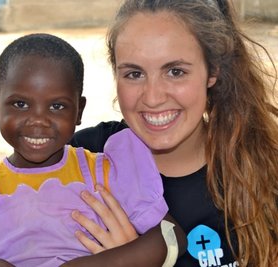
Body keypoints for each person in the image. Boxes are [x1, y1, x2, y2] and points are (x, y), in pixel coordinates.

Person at [0, 33, 186, 267]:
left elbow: (171, 236)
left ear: (79, 111)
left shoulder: (106, 173)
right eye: (20, 103)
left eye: (57, 107)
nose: (38, 120)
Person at [69, 0, 278, 266]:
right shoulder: (81, 159)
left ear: (212, 71)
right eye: (134, 74)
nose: (153, 98)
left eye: (175, 71)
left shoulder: (264, 173)